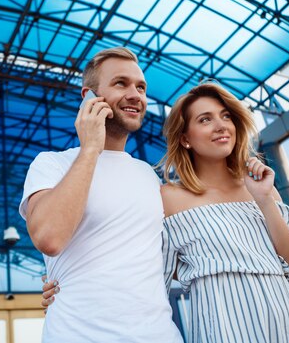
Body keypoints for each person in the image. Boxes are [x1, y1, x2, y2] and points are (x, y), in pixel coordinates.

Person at [43, 82, 289, 342]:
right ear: (185, 139)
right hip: (222, 330)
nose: (221, 125)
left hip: (287, 326)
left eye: (225, 116)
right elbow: (134, 265)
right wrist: (65, 284)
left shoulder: (263, 188)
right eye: (205, 119)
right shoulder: (169, 198)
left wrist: (265, 201)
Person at [19, 47, 183, 342]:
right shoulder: (52, 164)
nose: (136, 94)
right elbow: (50, 237)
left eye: (141, 87)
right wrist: (91, 147)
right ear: (89, 97)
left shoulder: (149, 176)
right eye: (121, 83)